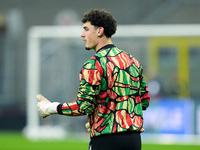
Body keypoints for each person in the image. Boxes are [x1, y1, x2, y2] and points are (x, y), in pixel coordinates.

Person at [37, 9, 150, 150]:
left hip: (106, 140)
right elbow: (144, 101)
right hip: (134, 140)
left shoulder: (94, 64)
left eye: (86, 29)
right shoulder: (133, 61)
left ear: (99, 31)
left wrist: (51, 108)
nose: (82, 34)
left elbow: (83, 106)